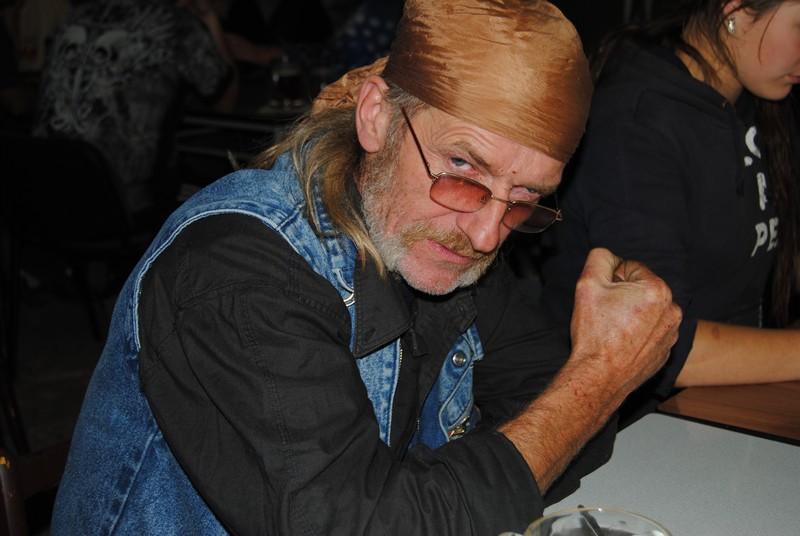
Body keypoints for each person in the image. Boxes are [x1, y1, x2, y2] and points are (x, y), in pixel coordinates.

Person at [51, 1, 681, 534]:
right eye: (463, 167)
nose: (487, 234)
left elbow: (557, 411)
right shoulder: (235, 272)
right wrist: (598, 378)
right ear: (376, 115)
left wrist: (438, 493)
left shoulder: (441, 236)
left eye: (524, 200)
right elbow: (359, 523)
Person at [540, 0, 800, 421]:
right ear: (735, 11)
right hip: (633, 424)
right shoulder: (636, 121)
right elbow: (659, 343)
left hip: (717, 401)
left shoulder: (753, 99)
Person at [32, 0, 237, 221]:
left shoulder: (74, 17)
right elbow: (225, 103)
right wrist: (211, 21)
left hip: (39, 187)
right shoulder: (176, 23)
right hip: (122, 204)